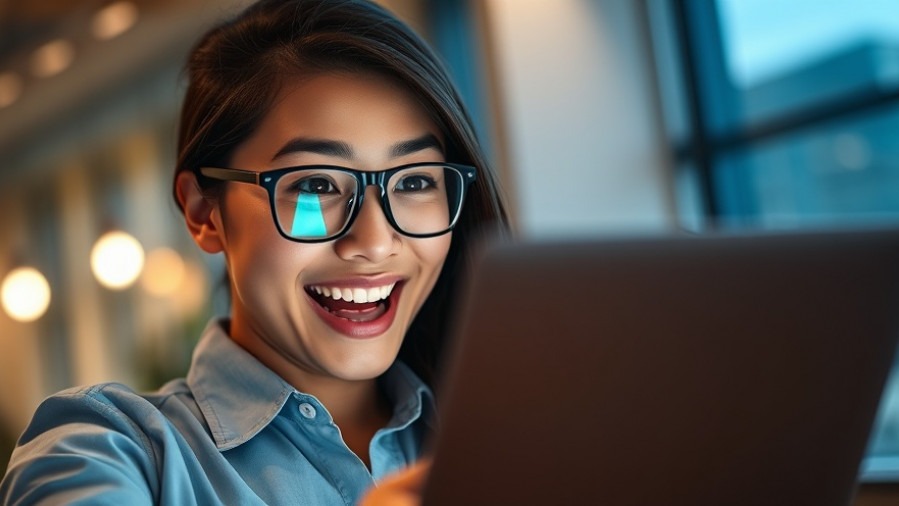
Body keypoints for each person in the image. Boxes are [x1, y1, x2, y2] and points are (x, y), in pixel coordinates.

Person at [0, 0, 508, 503]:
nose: (375, 242)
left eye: (416, 180)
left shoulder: (513, 433)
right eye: (314, 186)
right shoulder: (106, 452)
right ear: (204, 212)